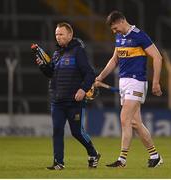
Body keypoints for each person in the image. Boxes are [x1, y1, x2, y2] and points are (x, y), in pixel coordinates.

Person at [95, 10, 163, 168]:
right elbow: (114, 59)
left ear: (121, 21)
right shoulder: (119, 37)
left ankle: (122, 160)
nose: (114, 32)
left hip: (136, 81)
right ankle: (155, 156)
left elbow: (157, 56)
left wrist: (156, 82)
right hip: (124, 82)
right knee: (135, 123)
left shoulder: (140, 35)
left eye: (114, 28)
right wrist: (100, 77)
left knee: (124, 117)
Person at [36, 22, 100, 170]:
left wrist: (83, 89)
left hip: (74, 101)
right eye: (56, 34)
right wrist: (43, 66)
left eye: (61, 34)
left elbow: (89, 73)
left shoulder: (78, 51)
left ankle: (93, 153)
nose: (58, 37)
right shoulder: (57, 53)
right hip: (57, 101)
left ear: (70, 35)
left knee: (77, 132)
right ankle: (59, 162)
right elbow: (51, 74)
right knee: (57, 131)